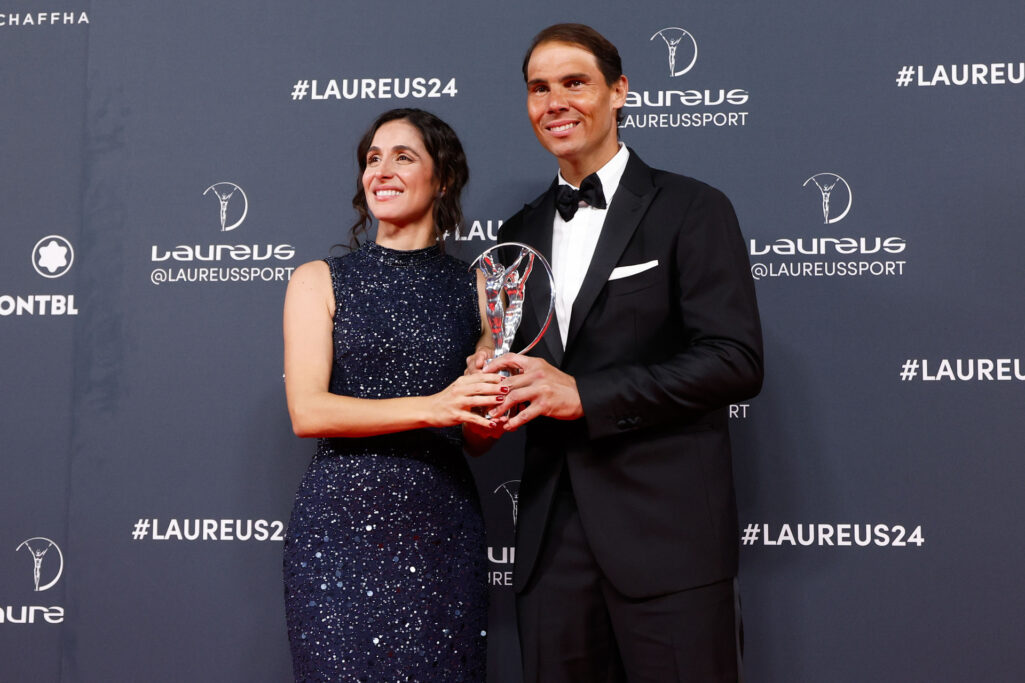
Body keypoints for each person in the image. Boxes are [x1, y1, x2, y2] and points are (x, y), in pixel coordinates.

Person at [467, 24, 765, 681]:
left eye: (574, 82)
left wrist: (584, 394)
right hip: (550, 544)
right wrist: (485, 375)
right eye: (538, 88)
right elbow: (513, 351)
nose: (554, 102)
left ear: (619, 92)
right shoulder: (516, 233)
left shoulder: (691, 207)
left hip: (668, 537)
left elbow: (735, 359)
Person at [282, 108, 502, 681]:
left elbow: (477, 439)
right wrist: (436, 407)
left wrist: (490, 401)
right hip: (341, 531)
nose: (381, 169)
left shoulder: (479, 288)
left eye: (404, 156)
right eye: (373, 158)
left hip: (442, 528)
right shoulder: (318, 279)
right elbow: (308, 411)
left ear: (444, 178)